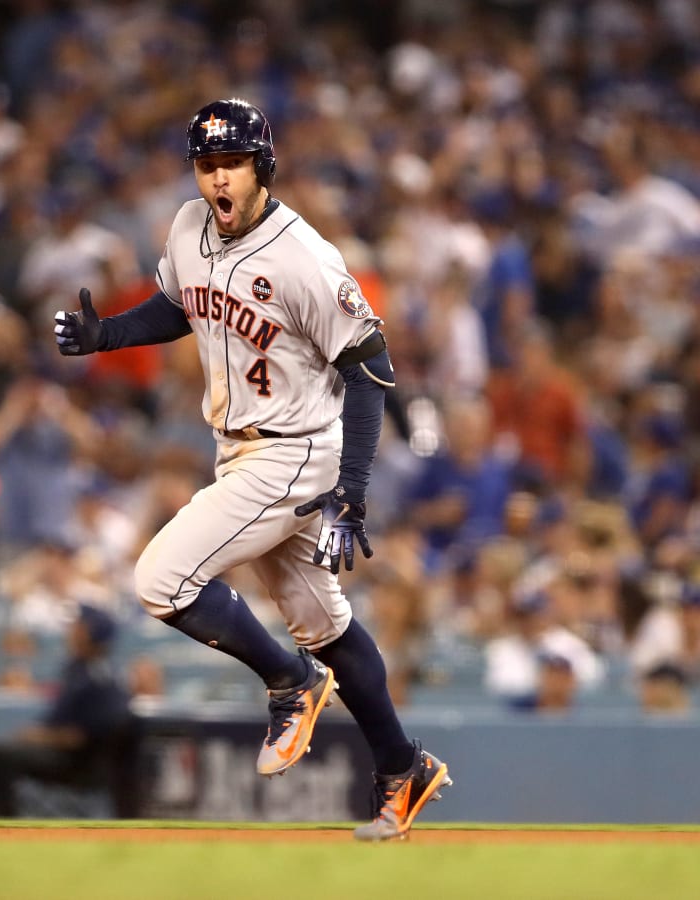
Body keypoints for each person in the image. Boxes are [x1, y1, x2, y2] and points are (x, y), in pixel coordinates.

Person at [54, 98, 451, 841]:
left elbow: (371, 373)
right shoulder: (185, 226)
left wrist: (352, 493)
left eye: (230, 163)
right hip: (237, 447)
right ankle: (404, 768)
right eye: (206, 166)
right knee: (328, 626)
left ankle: (289, 683)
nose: (217, 179)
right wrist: (107, 334)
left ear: (262, 166)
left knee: (161, 580)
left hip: (296, 451)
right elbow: (182, 307)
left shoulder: (306, 258)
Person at [0, 605, 135, 818]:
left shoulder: (101, 677)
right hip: (53, 752)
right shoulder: (77, 668)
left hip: (73, 763)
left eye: (78, 625)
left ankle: (4, 825)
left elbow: (83, 737)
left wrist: (37, 737)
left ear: (90, 633)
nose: (72, 630)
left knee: (1, 758)